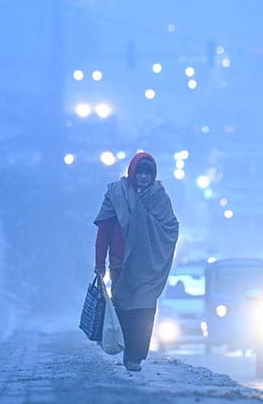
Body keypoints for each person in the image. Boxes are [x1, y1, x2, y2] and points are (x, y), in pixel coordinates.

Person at [93, 152, 179, 372]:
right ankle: (127, 350)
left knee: (145, 309)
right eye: (139, 172)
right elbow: (104, 232)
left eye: (147, 173)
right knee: (123, 308)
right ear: (132, 171)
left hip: (149, 266)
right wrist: (99, 263)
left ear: (153, 175)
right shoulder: (116, 194)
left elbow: (170, 227)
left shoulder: (160, 197)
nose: (143, 177)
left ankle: (136, 357)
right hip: (121, 263)